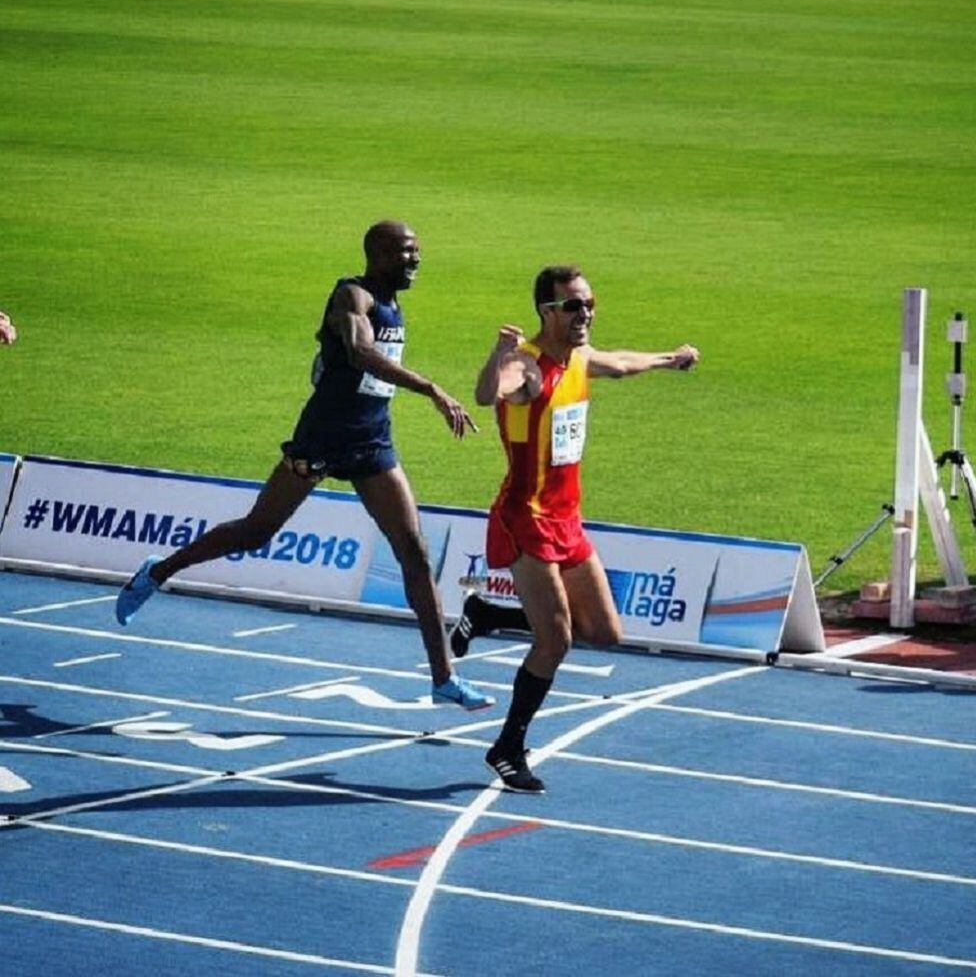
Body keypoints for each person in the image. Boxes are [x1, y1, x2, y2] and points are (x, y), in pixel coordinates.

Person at [115, 220, 494, 712]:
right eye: (405, 252)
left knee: (414, 552)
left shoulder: (394, 304)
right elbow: (359, 352)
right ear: (377, 254)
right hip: (322, 438)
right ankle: (158, 571)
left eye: (418, 250)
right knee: (256, 531)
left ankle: (443, 677)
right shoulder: (351, 296)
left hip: (371, 443)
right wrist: (430, 389)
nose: (416, 260)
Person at [463, 265, 699, 791]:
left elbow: (618, 364)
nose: (585, 313)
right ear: (546, 313)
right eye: (573, 306)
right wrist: (496, 356)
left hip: (567, 517)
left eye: (589, 303)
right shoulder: (526, 366)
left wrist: (670, 359)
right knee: (556, 640)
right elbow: (488, 394)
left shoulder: (579, 358)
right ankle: (507, 748)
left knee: (604, 633)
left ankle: (486, 612)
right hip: (524, 516)